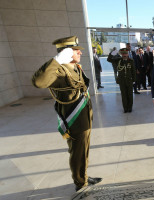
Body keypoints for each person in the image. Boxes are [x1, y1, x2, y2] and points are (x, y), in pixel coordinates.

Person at [32, 36, 102, 191]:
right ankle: (80, 183)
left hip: (84, 117)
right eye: (76, 50)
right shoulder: (60, 70)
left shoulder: (75, 67)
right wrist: (56, 60)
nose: (80, 53)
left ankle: (82, 176)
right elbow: (38, 82)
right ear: (66, 52)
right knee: (77, 152)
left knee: (83, 150)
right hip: (73, 118)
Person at [108, 48, 136, 113]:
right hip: (122, 80)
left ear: (127, 54)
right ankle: (125, 108)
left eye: (126, 53)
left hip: (129, 80)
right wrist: (114, 52)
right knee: (124, 95)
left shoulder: (131, 61)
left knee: (130, 95)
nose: (124, 55)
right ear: (121, 54)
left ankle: (130, 108)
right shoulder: (118, 60)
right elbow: (109, 59)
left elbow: (133, 71)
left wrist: (134, 80)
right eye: (123, 54)